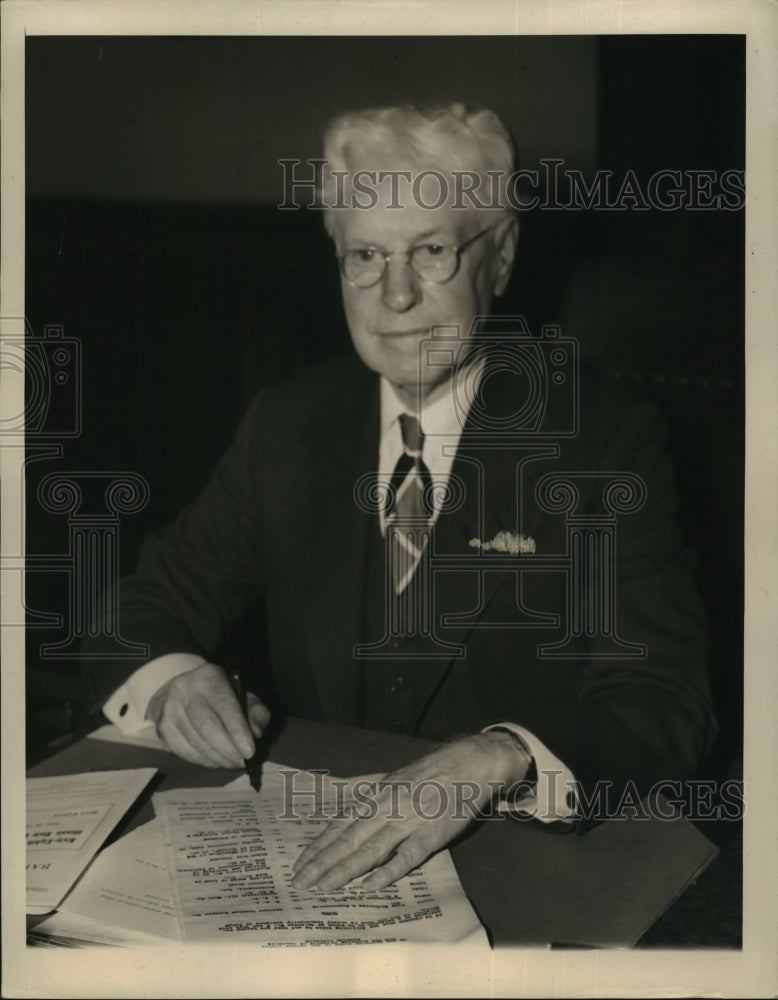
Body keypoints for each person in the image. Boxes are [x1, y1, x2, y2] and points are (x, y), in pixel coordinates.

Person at [83, 103, 716, 893]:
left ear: (502, 257)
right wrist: (173, 679)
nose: (397, 296)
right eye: (365, 256)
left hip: (526, 867)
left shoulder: (606, 440)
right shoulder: (288, 423)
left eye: (431, 252)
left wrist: (502, 755)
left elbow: (663, 699)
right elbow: (137, 607)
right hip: (311, 868)